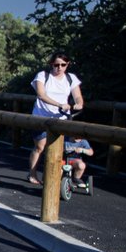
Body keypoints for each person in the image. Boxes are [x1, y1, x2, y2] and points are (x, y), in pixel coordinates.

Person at [27, 52, 84, 185]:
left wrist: (79, 103)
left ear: (67, 65)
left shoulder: (71, 78)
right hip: (41, 117)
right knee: (41, 147)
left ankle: (57, 177)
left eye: (63, 65)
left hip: (62, 118)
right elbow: (41, 95)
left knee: (62, 149)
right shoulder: (43, 76)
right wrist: (59, 104)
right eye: (56, 65)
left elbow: (77, 95)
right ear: (51, 65)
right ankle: (32, 173)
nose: (59, 68)